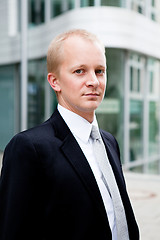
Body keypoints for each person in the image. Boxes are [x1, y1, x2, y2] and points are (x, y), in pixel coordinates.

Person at [0, 29, 139, 240]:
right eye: (80, 71)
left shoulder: (109, 142)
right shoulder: (29, 148)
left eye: (99, 71)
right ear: (54, 81)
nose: (94, 81)